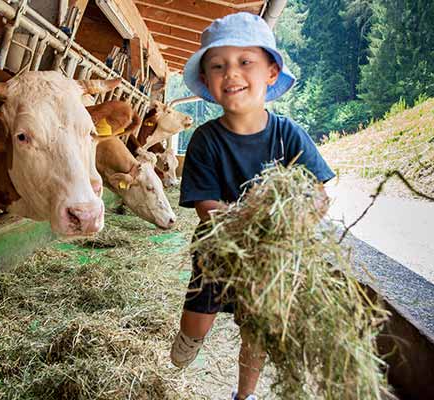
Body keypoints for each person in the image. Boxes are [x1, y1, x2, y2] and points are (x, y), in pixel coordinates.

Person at [169, 12, 335, 400]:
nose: (232, 73)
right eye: (218, 66)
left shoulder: (288, 135)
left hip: (269, 259)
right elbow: (208, 207)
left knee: (256, 332)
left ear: (271, 73)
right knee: (197, 325)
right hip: (217, 254)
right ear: (208, 82)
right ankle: (188, 343)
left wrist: (291, 221)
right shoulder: (205, 140)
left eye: (245, 62)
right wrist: (251, 217)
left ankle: (244, 395)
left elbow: (319, 194)